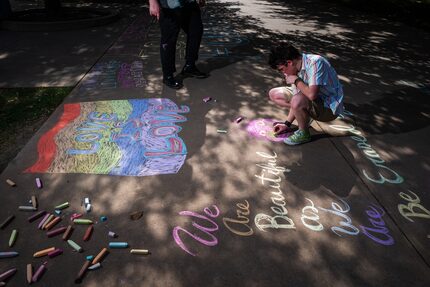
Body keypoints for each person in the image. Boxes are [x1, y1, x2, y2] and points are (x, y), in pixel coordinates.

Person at [268, 43, 344, 145]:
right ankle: (304, 114)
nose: (283, 73)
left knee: (298, 99)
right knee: (275, 94)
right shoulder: (295, 69)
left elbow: (312, 95)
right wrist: (287, 124)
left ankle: (304, 134)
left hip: (328, 108)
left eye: (282, 69)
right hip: (310, 99)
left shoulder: (315, 62)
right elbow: (297, 96)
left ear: (289, 62)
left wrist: (296, 80)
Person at [149, 0, 208, 89]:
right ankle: (168, 75)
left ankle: (189, 66)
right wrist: (153, 2)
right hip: (169, 5)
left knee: (196, 30)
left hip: (190, 3)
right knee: (169, 40)